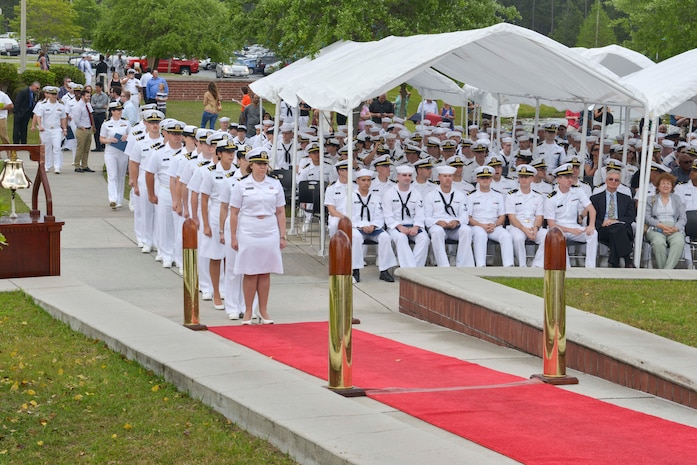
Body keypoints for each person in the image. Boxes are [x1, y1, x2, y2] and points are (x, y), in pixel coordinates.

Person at [229, 148, 286, 325]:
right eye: (259, 164)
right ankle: (247, 310)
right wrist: (233, 236)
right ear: (251, 165)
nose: (263, 167)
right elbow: (234, 212)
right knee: (250, 271)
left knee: (265, 271)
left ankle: (263, 310)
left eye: (264, 164)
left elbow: (281, 211)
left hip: (269, 229)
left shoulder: (274, 184)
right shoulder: (241, 184)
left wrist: (282, 236)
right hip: (248, 229)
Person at [200, 139, 237, 310]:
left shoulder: (238, 172)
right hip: (215, 214)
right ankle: (215, 292)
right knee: (215, 256)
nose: (231, 155)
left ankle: (228, 291)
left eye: (233, 152)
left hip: (234, 215)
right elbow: (204, 199)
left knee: (229, 257)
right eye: (227, 152)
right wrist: (205, 224)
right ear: (219, 154)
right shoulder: (210, 173)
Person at [544, 163, 598, 268]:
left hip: (574, 226)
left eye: (570, 177)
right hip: (558, 228)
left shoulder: (578, 191)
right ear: (558, 180)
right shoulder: (551, 198)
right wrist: (571, 230)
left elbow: (592, 210)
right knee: (559, 236)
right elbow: (551, 224)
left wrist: (591, 225)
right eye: (566, 177)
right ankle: (566, 266)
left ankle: (590, 266)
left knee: (593, 233)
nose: (570, 180)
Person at [350, 169, 398, 281]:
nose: (366, 183)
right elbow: (348, 216)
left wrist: (374, 225)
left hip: (373, 228)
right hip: (356, 227)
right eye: (363, 180)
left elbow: (380, 215)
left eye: (368, 180)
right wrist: (361, 226)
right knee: (356, 237)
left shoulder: (375, 197)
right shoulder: (350, 197)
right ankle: (355, 270)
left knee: (385, 237)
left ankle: (384, 270)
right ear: (357, 181)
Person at [424, 165, 474, 267]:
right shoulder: (430, 195)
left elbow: (465, 216)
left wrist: (457, 221)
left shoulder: (460, 195)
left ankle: (464, 265)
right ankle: (444, 266)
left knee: (467, 230)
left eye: (450, 176)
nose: (447, 179)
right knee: (436, 232)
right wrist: (437, 222)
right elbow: (426, 217)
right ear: (439, 177)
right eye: (444, 176)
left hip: (454, 227)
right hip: (438, 225)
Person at [382, 164, 430, 268]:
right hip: (396, 226)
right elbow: (388, 216)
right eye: (404, 175)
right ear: (398, 177)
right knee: (401, 238)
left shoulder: (416, 193)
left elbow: (420, 214)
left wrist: (416, 227)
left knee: (424, 238)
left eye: (409, 175)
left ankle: (415, 269)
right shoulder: (389, 193)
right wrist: (399, 227)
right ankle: (409, 269)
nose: (407, 178)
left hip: (413, 225)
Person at [467, 165, 515, 267]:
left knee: (506, 236)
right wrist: (482, 226)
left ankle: (509, 265)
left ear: (491, 179)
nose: (485, 180)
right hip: (477, 226)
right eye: (482, 178)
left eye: (487, 178)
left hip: (494, 226)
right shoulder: (471, 197)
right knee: (481, 235)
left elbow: (502, 216)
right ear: (477, 180)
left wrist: (495, 225)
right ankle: (481, 265)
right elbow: (469, 218)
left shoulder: (498, 196)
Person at [590, 169, 636, 268]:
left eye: (616, 180)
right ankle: (627, 259)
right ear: (606, 181)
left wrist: (616, 221)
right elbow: (592, 218)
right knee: (618, 230)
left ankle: (614, 262)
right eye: (611, 179)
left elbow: (630, 217)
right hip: (603, 228)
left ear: (619, 183)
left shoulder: (626, 199)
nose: (613, 182)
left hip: (621, 227)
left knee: (618, 229)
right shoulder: (596, 198)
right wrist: (603, 223)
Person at [505, 165, 547, 267]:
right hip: (517, 226)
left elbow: (539, 217)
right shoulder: (511, 195)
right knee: (518, 238)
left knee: (548, 236)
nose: (524, 179)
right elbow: (512, 217)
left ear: (532, 178)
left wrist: (536, 228)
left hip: (533, 226)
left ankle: (537, 265)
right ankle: (522, 266)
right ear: (518, 178)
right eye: (522, 176)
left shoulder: (538, 196)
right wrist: (525, 229)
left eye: (527, 177)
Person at [644, 172, 687, 269]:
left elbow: (683, 217)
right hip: (656, 228)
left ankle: (667, 270)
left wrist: (675, 228)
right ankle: (663, 270)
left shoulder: (677, 199)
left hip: (673, 227)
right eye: (663, 183)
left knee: (679, 242)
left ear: (672, 187)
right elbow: (647, 217)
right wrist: (660, 225)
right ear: (658, 186)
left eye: (668, 184)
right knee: (658, 242)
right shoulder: (650, 199)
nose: (666, 186)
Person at [99, 101, 130, 209]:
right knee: (112, 175)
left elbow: (131, 136)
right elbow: (101, 139)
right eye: (117, 110)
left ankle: (119, 200)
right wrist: (109, 140)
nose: (120, 112)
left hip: (122, 151)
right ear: (112, 111)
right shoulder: (106, 123)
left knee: (121, 176)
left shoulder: (126, 122)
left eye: (121, 110)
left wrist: (127, 136)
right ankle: (113, 199)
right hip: (110, 151)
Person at [32, 86, 67, 173]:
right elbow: (39, 116)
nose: (53, 96)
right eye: (52, 94)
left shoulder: (61, 106)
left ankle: (57, 166)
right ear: (49, 95)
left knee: (57, 147)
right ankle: (47, 165)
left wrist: (65, 128)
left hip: (56, 129)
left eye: (55, 94)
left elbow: (63, 118)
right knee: (47, 148)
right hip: (46, 129)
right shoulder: (43, 105)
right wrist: (40, 126)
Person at [70, 85, 94, 172]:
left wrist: (92, 126)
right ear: (82, 96)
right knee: (80, 148)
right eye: (87, 96)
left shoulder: (88, 104)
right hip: (82, 130)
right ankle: (77, 165)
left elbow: (90, 115)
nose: (89, 97)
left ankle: (85, 165)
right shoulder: (78, 106)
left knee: (86, 149)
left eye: (89, 96)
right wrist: (81, 126)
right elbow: (76, 119)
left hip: (88, 128)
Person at [91, 82, 109, 151]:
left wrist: (96, 106)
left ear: (101, 88)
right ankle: (97, 146)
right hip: (95, 114)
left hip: (101, 114)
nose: (96, 88)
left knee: (102, 130)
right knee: (96, 131)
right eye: (95, 87)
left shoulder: (104, 96)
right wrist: (98, 106)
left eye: (97, 87)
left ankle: (103, 145)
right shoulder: (93, 96)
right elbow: (92, 104)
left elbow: (103, 104)